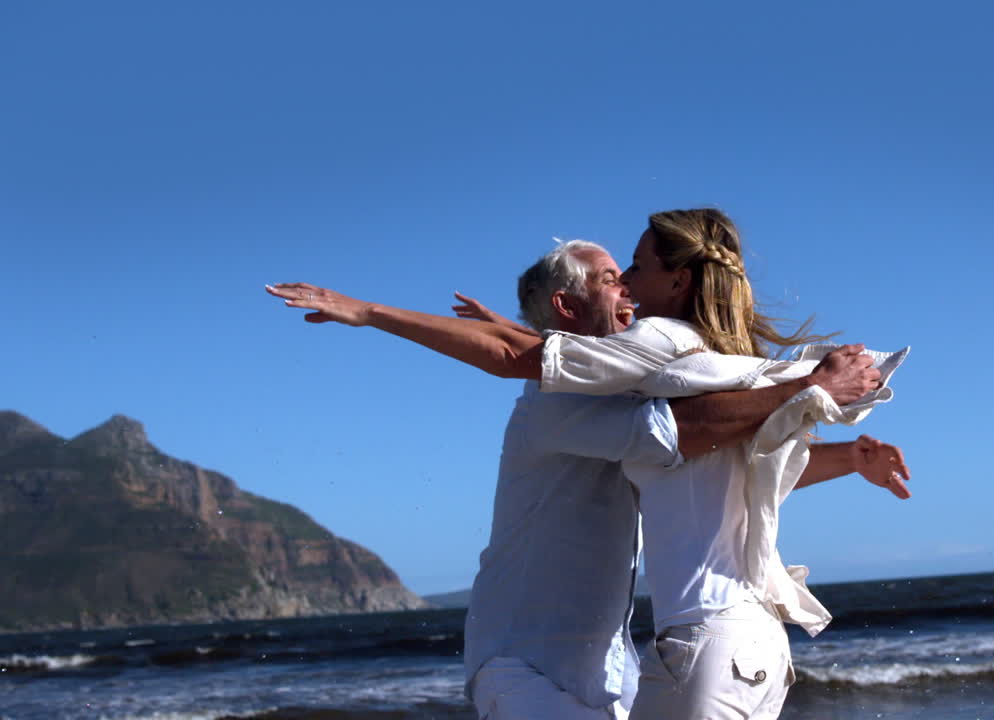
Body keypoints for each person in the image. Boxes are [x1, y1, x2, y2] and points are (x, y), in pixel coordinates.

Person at [266, 237, 899, 720]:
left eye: (629, 277)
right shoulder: (556, 410)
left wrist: (847, 461)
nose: (629, 290)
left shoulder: (627, 396)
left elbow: (718, 460)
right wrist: (370, 312)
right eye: (610, 281)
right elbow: (689, 426)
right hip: (522, 667)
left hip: (611, 672)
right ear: (568, 306)